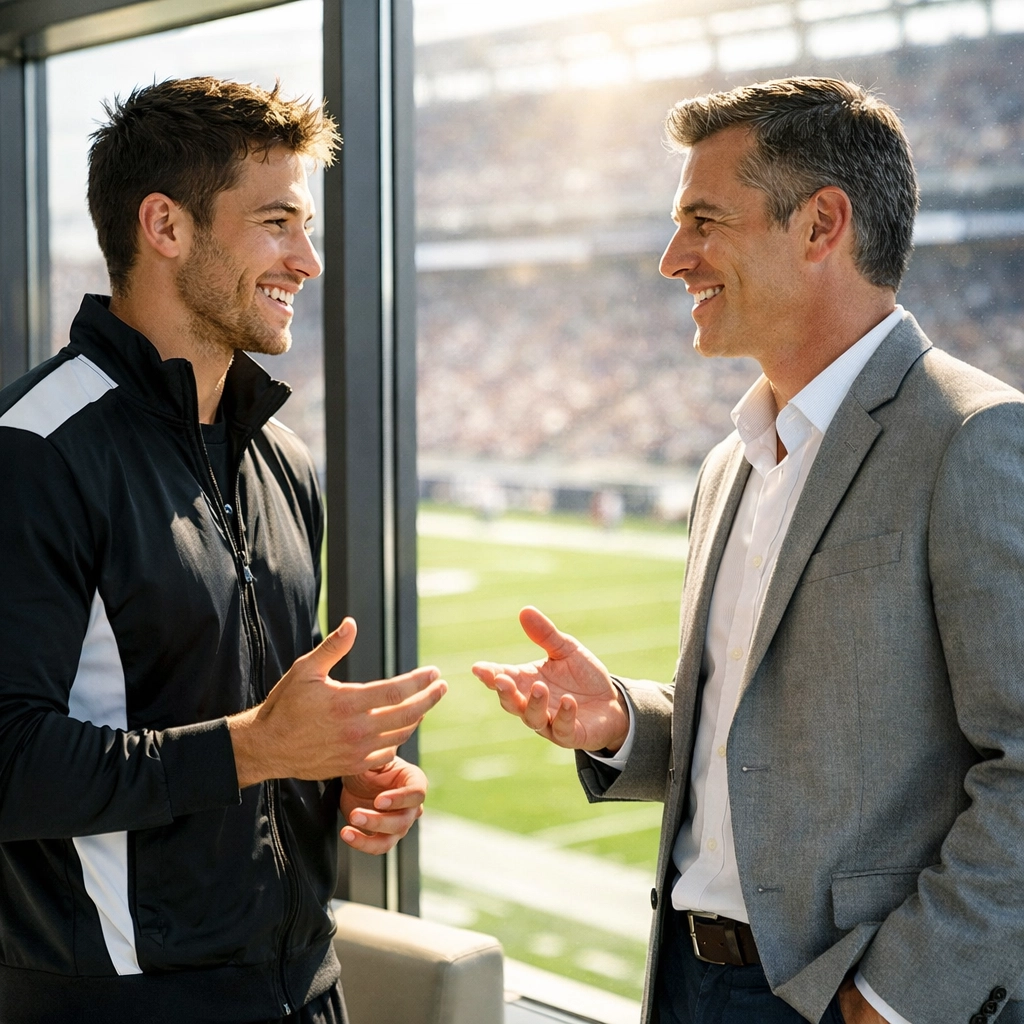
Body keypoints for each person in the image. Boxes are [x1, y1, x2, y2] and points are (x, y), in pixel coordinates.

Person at [473, 77, 1024, 1024]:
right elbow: (758, 722)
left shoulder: (972, 436)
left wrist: (894, 999)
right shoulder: (732, 461)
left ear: (821, 226)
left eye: (703, 221)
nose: (671, 258)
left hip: (850, 995)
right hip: (688, 980)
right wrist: (622, 725)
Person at [0, 77, 447, 1024]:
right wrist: (253, 749)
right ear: (165, 226)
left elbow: (258, 720)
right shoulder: (33, 450)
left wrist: (340, 774)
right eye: (277, 223)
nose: (309, 261)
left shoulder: (281, 454)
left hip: (303, 988)